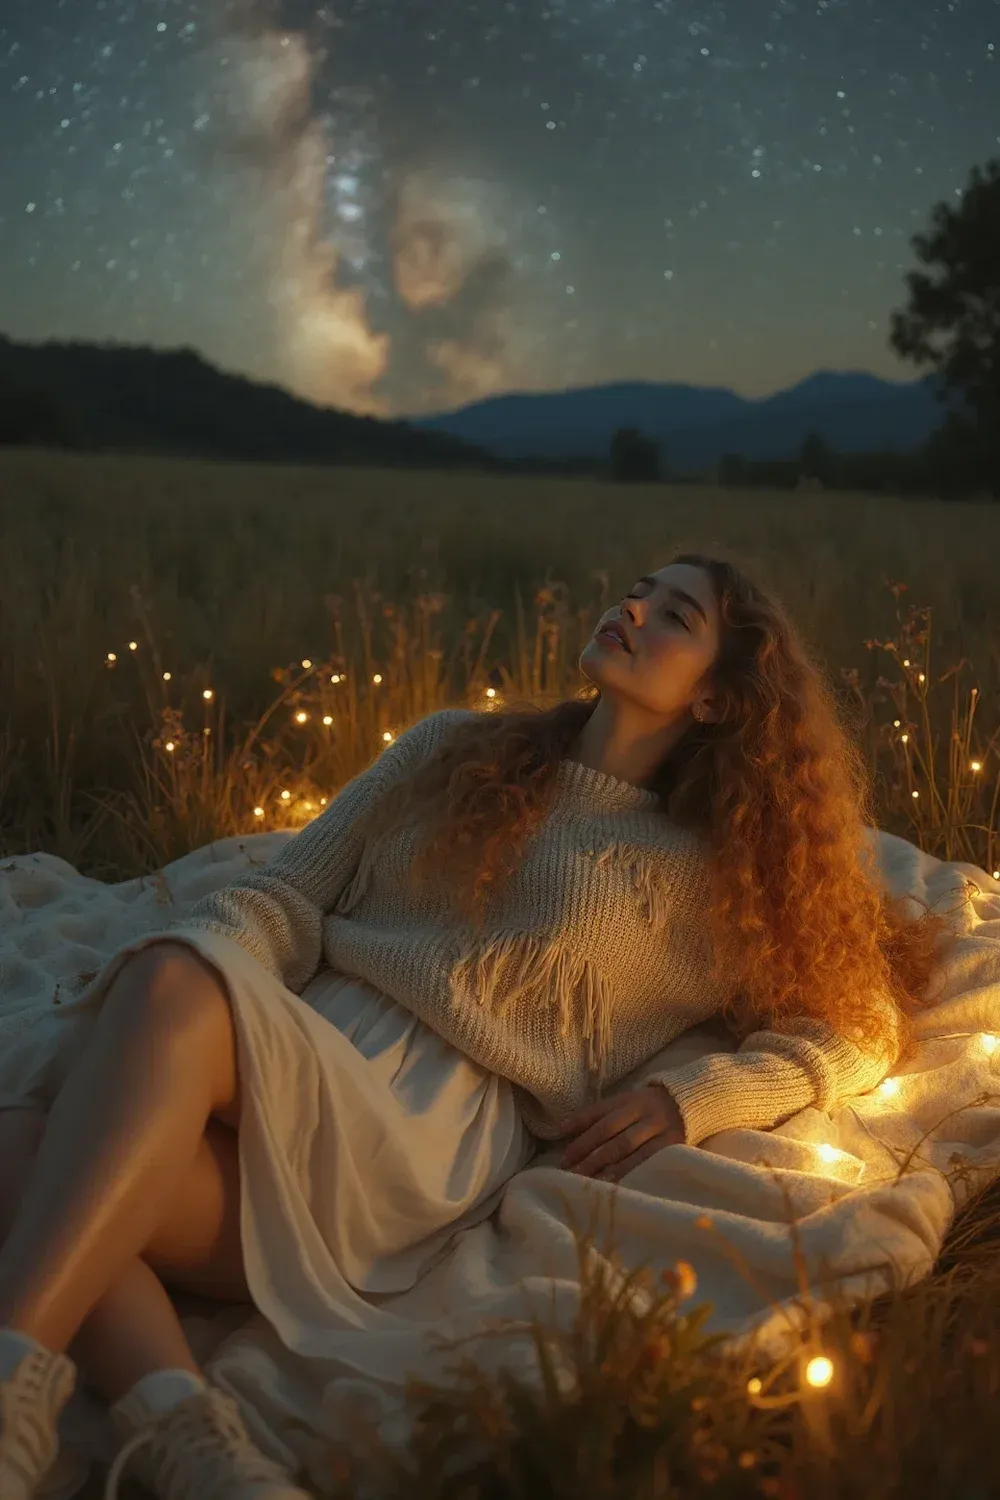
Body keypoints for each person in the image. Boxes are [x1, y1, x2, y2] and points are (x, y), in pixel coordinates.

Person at [0, 554, 945, 1500]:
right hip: (281, 1042)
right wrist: (208, 972)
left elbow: (856, 1028)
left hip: (418, 1131)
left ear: (716, 700)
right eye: (637, 591)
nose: (632, 608)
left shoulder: (716, 875)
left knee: (147, 1009)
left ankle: (11, 1381)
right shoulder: (450, 747)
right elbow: (285, 898)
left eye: (675, 615)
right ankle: (193, 1445)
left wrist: (689, 1096)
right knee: (28, 1144)